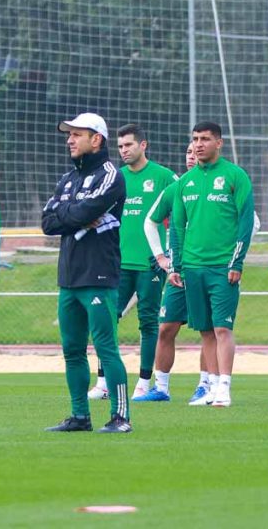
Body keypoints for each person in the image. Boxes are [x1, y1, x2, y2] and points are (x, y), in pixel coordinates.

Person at [42, 113, 131, 434]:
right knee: (73, 350)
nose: (69, 139)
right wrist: (75, 215)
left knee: (106, 349)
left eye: (77, 134)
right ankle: (80, 416)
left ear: (96, 139)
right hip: (68, 278)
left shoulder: (111, 175)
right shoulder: (67, 179)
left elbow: (84, 210)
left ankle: (121, 417)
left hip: (99, 276)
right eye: (69, 134)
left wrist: (73, 213)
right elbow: (48, 222)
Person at [88, 124, 177, 401]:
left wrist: (170, 253)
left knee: (148, 323)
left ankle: (143, 382)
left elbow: (183, 215)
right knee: (106, 319)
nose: (124, 150)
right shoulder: (117, 178)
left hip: (150, 264)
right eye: (121, 146)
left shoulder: (164, 177)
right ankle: (103, 382)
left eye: (129, 145)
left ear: (143, 145)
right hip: (117, 264)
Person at [169, 121, 254, 408]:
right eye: (195, 139)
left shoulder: (235, 176)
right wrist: (176, 266)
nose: (198, 144)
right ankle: (212, 386)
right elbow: (177, 227)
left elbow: (245, 223)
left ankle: (225, 388)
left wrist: (237, 261)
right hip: (192, 268)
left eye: (205, 139)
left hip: (223, 267)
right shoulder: (185, 181)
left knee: (222, 329)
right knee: (205, 330)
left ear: (219, 142)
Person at [139, 142, 212, 403]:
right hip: (178, 272)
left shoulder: (218, 184)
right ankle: (161, 388)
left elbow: (252, 221)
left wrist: (231, 255)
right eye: (188, 153)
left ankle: (206, 384)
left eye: (196, 152)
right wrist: (161, 256)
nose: (192, 157)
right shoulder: (175, 188)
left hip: (207, 269)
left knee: (208, 330)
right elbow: (150, 220)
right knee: (166, 328)